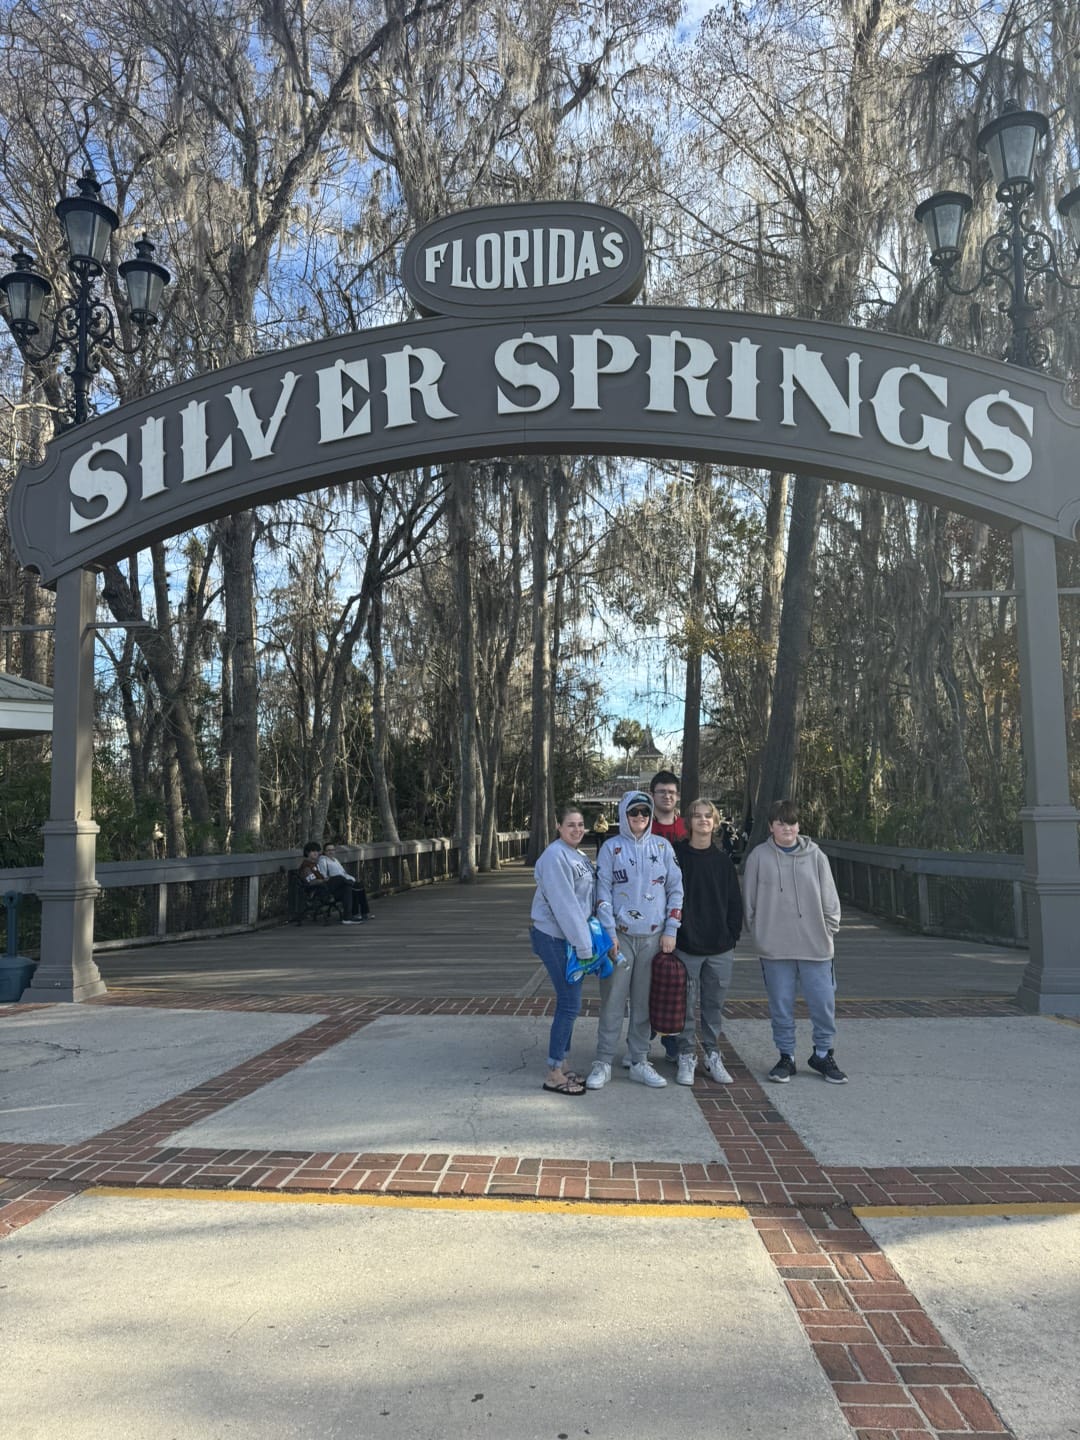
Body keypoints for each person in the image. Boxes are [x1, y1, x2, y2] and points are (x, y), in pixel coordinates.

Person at [741, 798, 848, 1084]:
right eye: (780, 823)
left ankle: (823, 1053)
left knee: (823, 1003)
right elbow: (748, 902)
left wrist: (829, 928)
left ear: (799, 825)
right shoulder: (759, 857)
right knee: (781, 1004)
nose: (786, 828)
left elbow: (830, 897)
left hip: (815, 946)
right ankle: (786, 1056)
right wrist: (759, 933)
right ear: (771, 826)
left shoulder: (816, 856)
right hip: (775, 948)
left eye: (791, 822)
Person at [586, 790, 683, 1091]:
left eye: (645, 812)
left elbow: (676, 889)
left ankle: (639, 1059)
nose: (640, 818)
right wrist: (610, 934)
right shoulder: (611, 848)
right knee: (613, 1000)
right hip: (621, 937)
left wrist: (671, 929)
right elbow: (601, 893)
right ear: (624, 814)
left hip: (653, 938)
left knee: (643, 1003)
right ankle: (603, 1060)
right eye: (634, 812)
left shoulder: (664, 847)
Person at [672, 799, 743, 1086]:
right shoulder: (676, 856)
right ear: (688, 822)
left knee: (713, 1006)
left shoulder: (723, 861)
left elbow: (733, 902)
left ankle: (713, 1055)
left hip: (719, 947)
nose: (703, 820)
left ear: (714, 822)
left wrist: (731, 935)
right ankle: (686, 1055)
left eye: (708, 816)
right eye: (697, 816)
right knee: (686, 1006)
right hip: (686, 944)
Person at [530, 807, 597, 1096]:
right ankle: (554, 1073)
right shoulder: (555, 856)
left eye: (581, 825)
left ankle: (563, 1062)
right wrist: (584, 947)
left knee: (570, 1001)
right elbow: (565, 905)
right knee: (569, 1003)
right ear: (558, 826)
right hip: (554, 936)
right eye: (571, 825)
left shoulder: (578, 856)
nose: (577, 830)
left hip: (570, 937)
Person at [299, 841, 359, 923]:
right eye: (313, 851)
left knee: (347, 888)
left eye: (317, 851)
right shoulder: (306, 866)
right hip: (319, 891)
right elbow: (311, 882)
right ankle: (353, 884)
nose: (315, 853)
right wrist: (324, 880)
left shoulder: (314, 864)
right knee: (339, 878)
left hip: (326, 888)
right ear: (307, 853)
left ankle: (347, 918)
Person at [318, 843, 371, 921]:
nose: (331, 852)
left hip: (343, 883)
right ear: (324, 852)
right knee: (345, 881)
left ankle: (364, 913)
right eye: (328, 850)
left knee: (359, 886)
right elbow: (324, 876)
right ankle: (353, 885)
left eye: (332, 850)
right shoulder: (323, 860)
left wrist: (352, 879)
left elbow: (344, 873)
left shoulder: (335, 860)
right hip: (333, 885)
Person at [649, 770, 688, 844]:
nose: (667, 796)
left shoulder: (688, 827)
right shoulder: (643, 826)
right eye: (661, 792)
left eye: (671, 792)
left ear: (678, 796)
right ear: (651, 795)